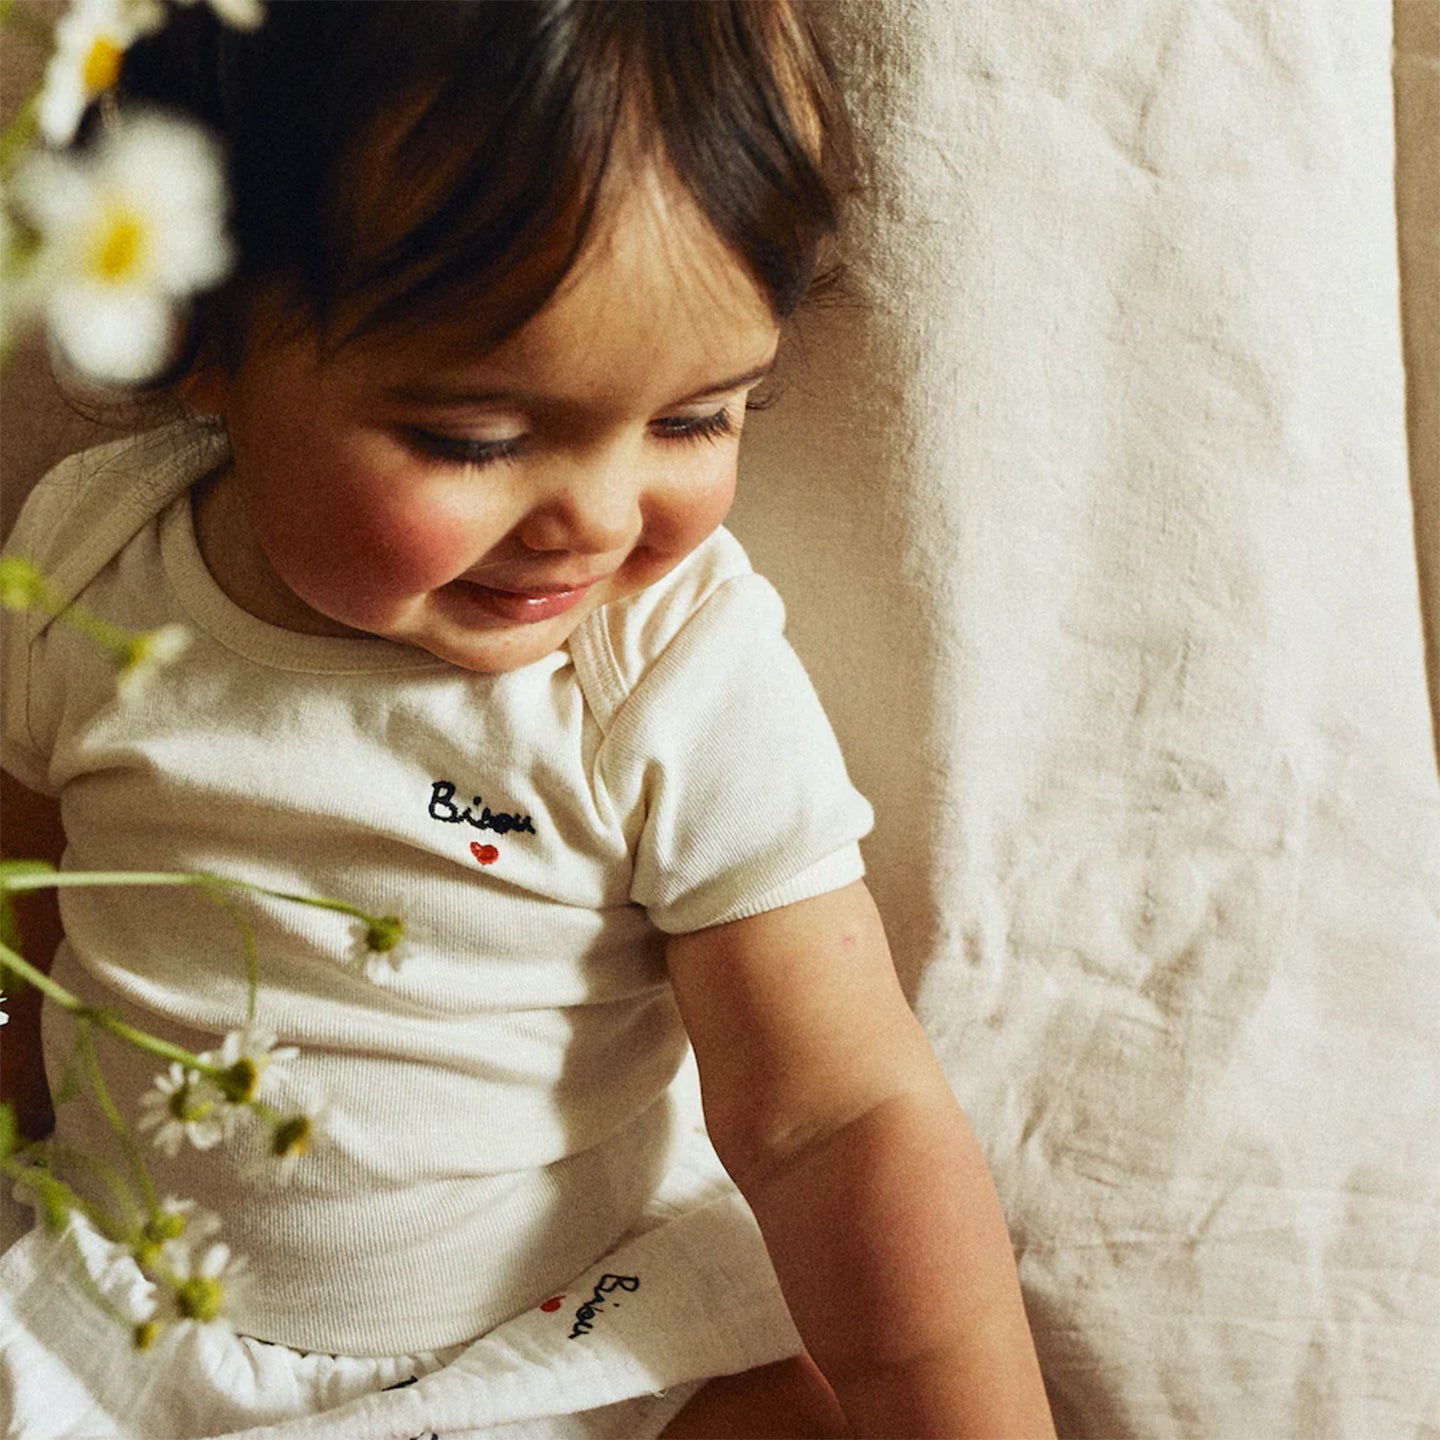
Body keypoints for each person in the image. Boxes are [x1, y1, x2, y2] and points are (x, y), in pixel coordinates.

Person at [0, 4, 1055, 1436]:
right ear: (198, 329)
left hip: (563, 1342)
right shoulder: (90, 562)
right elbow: (30, 912)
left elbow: (833, 1116)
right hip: (116, 1328)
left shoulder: (664, 670)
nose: (604, 521)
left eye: (699, 419)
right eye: (475, 438)